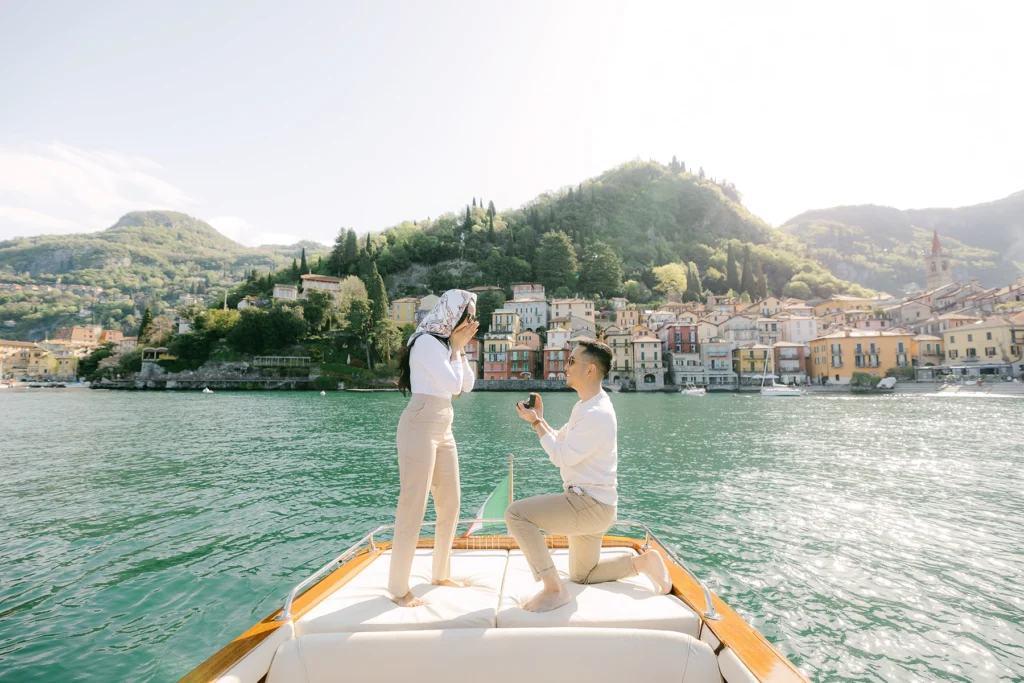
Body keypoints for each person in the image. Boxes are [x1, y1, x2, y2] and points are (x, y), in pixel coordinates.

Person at [506, 339, 673, 613]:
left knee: (516, 514)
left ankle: (553, 589)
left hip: (589, 505)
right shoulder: (586, 406)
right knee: (583, 574)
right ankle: (643, 563)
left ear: (590, 370)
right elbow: (560, 439)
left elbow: (561, 456)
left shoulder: (597, 413)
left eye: (572, 361)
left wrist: (536, 423)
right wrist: (539, 418)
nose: (565, 366)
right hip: (594, 505)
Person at [388, 289, 480, 607]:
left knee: (451, 503)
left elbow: (467, 384)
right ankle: (398, 587)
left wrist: (460, 350)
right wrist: (455, 348)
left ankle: (440, 573)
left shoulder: (444, 347)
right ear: (449, 315)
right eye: (465, 317)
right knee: (413, 506)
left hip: (444, 428)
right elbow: (454, 386)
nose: (468, 323)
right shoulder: (426, 342)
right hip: (420, 425)